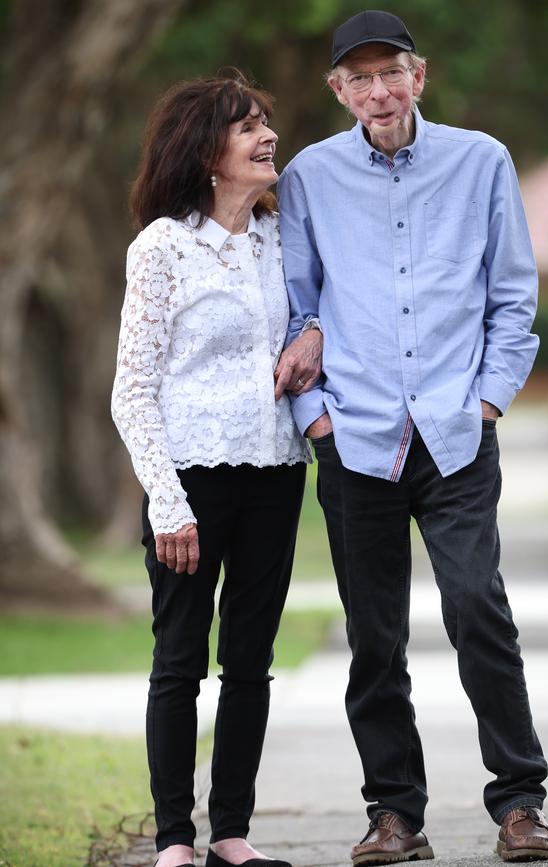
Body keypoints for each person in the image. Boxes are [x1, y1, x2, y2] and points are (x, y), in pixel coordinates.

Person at [277, 10, 548, 864]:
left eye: (390, 72)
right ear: (338, 90)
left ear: (420, 76)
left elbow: (513, 298)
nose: (378, 91)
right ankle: (394, 814)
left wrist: (487, 403)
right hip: (354, 437)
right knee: (375, 634)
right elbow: (295, 307)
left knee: (478, 607)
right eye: (358, 78)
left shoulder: (483, 162)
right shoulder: (307, 176)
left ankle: (519, 803)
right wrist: (314, 418)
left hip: (455, 434)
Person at [111, 72, 322, 867]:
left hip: (275, 470)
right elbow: (131, 389)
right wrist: (167, 502)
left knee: (252, 661)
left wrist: (318, 339)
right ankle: (174, 840)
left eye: (266, 121)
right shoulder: (162, 247)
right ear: (207, 154)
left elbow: (317, 313)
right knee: (179, 659)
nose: (268, 135)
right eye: (247, 128)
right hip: (190, 481)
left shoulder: (280, 238)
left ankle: (231, 831)